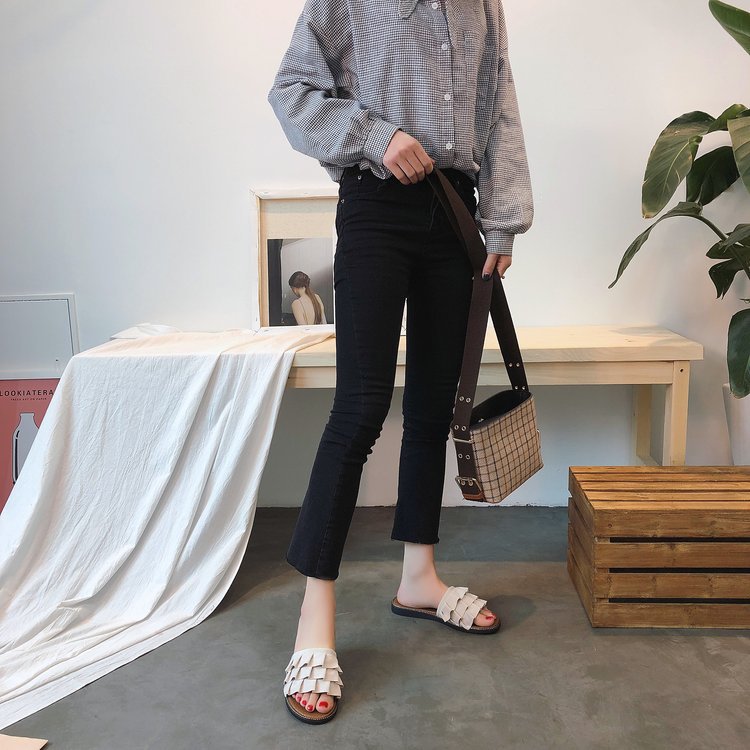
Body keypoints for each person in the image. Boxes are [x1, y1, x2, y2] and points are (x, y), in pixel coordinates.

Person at [267, 0, 533, 723]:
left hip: (456, 209)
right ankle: (314, 619)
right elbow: (291, 91)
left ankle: (419, 576)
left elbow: (498, 101)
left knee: (433, 404)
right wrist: (376, 136)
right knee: (359, 407)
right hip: (376, 206)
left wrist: (502, 217)